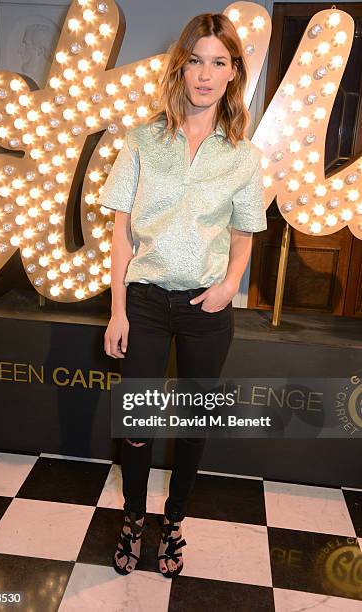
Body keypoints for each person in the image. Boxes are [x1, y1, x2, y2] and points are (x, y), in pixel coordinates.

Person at [100, 12, 267, 578]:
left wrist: (227, 287)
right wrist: (117, 308)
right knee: (140, 425)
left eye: (218, 62)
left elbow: (244, 235)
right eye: (195, 60)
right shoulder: (143, 139)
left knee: (195, 425)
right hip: (144, 299)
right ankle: (133, 520)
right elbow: (120, 228)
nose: (205, 73)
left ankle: (174, 522)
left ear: (232, 73)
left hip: (206, 307)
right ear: (181, 67)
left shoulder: (243, 155)